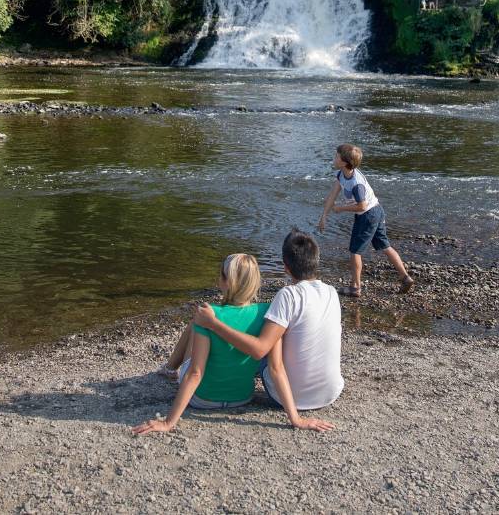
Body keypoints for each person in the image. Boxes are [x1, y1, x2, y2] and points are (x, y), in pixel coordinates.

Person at [193, 231, 340, 430]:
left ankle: (190, 373)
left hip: (291, 397)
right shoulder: (332, 292)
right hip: (330, 392)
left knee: (266, 341)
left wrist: (214, 324)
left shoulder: (288, 295)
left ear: (285, 268)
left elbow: (261, 351)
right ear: (316, 261)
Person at [134, 253, 285, 434]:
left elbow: (196, 373)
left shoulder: (210, 313)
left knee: (196, 323)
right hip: (242, 397)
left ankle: (169, 369)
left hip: (203, 400)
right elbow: (276, 366)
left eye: (220, 275)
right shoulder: (266, 312)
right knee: (201, 326)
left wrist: (168, 422)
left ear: (226, 281)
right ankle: (169, 368)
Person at [318, 143, 414, 298]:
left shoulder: (356, 184)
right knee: (385, 246)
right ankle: (405, 278)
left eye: (336, 156)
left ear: (344, 162)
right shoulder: (342, 175)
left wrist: (341, 208)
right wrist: (324, 216)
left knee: (355, 251)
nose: (334, 158)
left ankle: (355, 287)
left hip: (368, 215)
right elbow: (332, 195)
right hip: (376, 210)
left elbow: (362, 205)